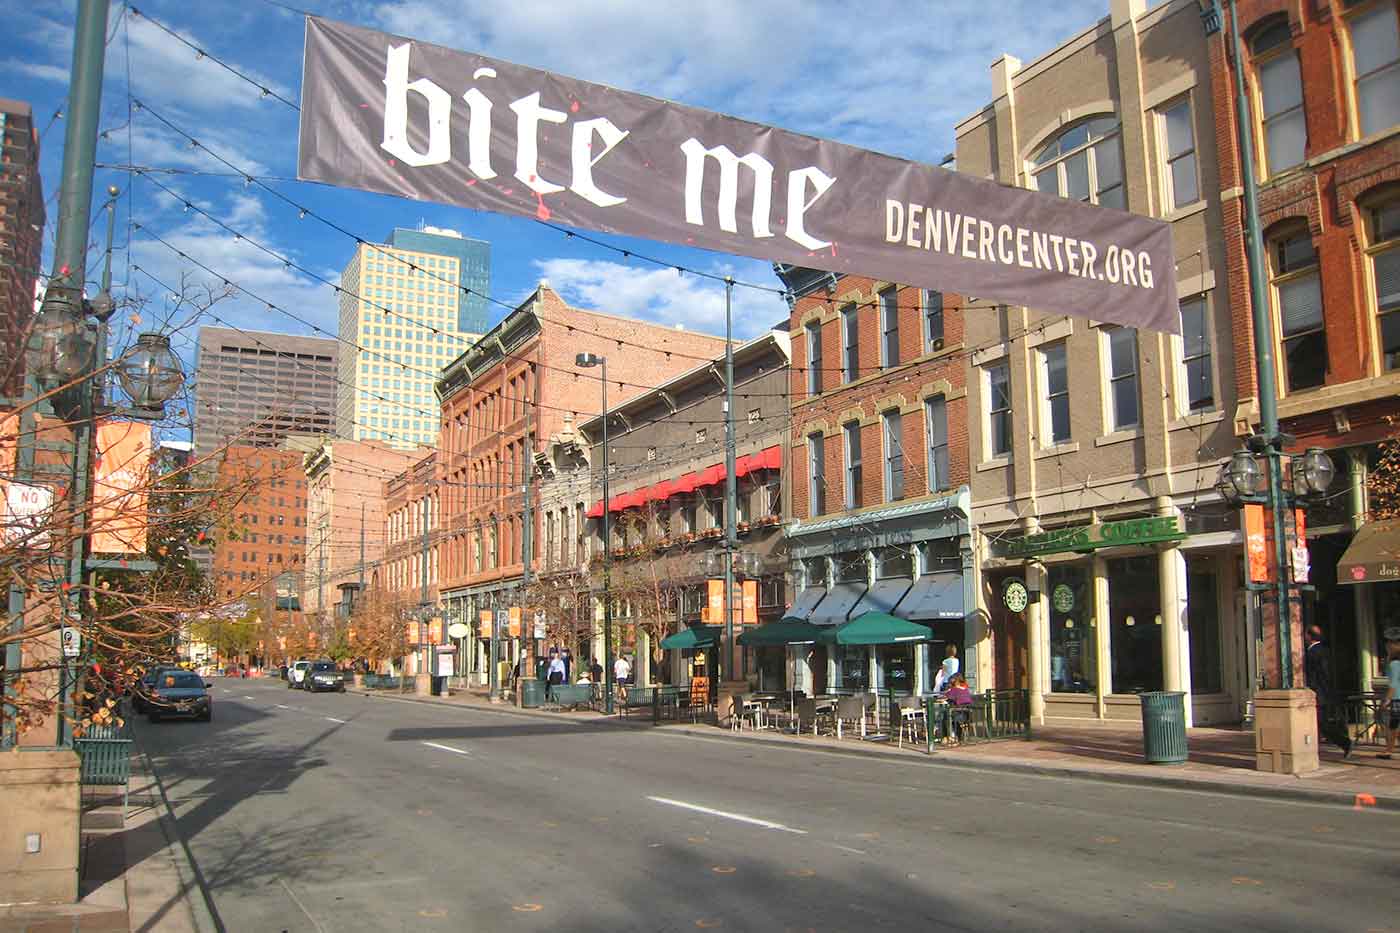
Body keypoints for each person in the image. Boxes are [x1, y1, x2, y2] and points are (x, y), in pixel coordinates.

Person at [1304, 624, 1353, 758]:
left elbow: (1318, 674)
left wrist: (1313, 688)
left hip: (1320, 693)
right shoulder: (1326, 650)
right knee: (1322, 722)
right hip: (1327, 692)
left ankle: (1345, 742)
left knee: (1322, 723)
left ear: (1309, 636)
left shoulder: (1313, 652)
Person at [1381, 633, 1400, 761]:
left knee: (1393, 725)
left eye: (1388, 646)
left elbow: (1393, 683)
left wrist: (1387, 700)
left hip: (1397, 698)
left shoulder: (1394, 664)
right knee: (1394, 725)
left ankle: (1388, 750)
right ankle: (1388, 750)